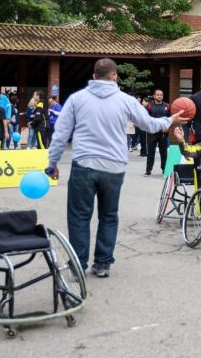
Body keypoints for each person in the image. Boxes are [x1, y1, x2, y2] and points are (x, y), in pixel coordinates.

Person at [46, 58, 189, 277]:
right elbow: (150, 124)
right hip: (114, 166)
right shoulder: (126, 100)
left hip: (84, 164)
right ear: (115, 76)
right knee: (109, 215)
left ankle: (78, 265)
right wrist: (170, 120)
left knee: (79, 217)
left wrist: (52, 162)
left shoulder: (77, 99)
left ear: (94, 76)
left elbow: (61, 134)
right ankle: (103, 263)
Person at [144, 89, 169, 177]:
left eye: (161, 95)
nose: (159, 96)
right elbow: (144, 118)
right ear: (154, 96)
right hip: (152, 132)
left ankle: (164, 169)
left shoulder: (167, 106)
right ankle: (148, 170)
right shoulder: (149, 106)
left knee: (164, 152)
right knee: (150, 152)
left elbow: (170, 118)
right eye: (157, 95)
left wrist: (167, 127)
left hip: (163, 133)